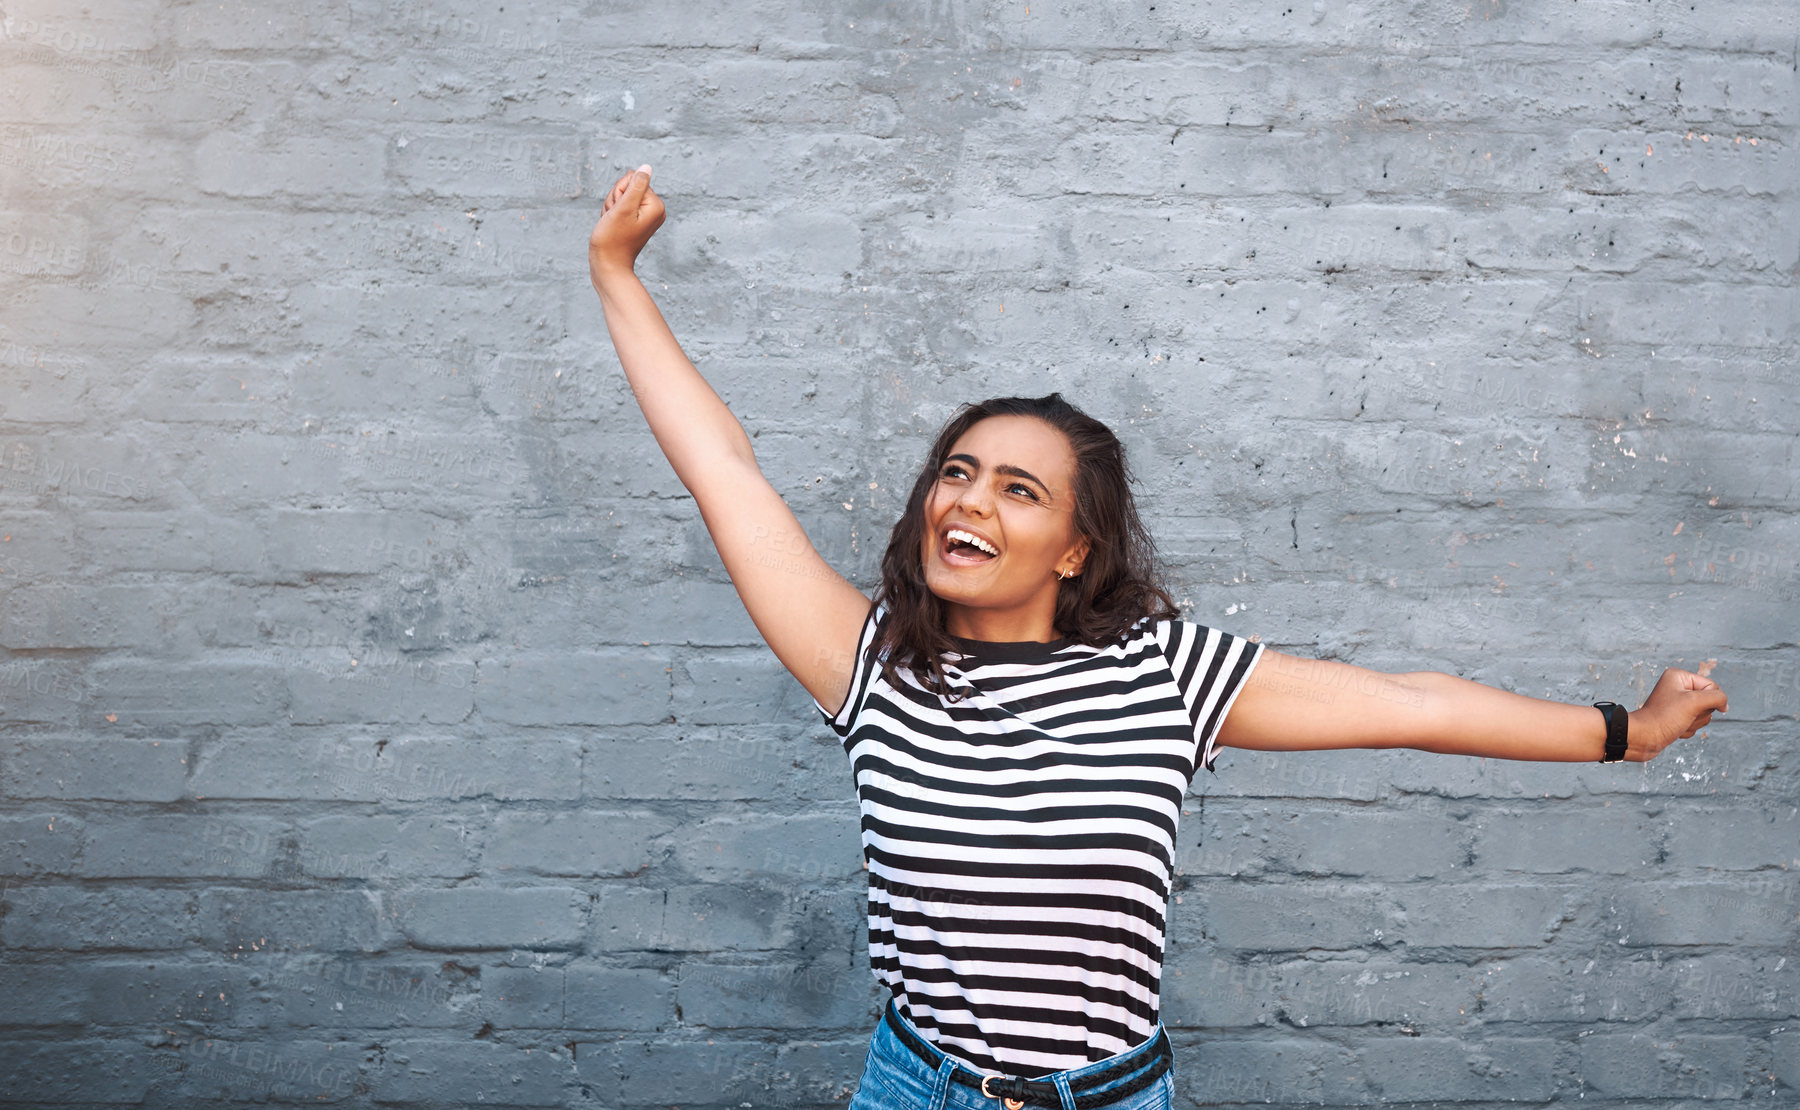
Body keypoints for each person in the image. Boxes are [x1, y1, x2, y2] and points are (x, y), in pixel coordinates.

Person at [587, 166, 1730, 1110]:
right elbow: (722, 471)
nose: (969, 502)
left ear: (1075, 549)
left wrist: (1625, 733)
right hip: (914, 1091)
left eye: (1019, 490)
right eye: (958, 472)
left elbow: (1412, 703)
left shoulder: (1168, 675)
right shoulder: (872, 664)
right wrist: (617, 274)